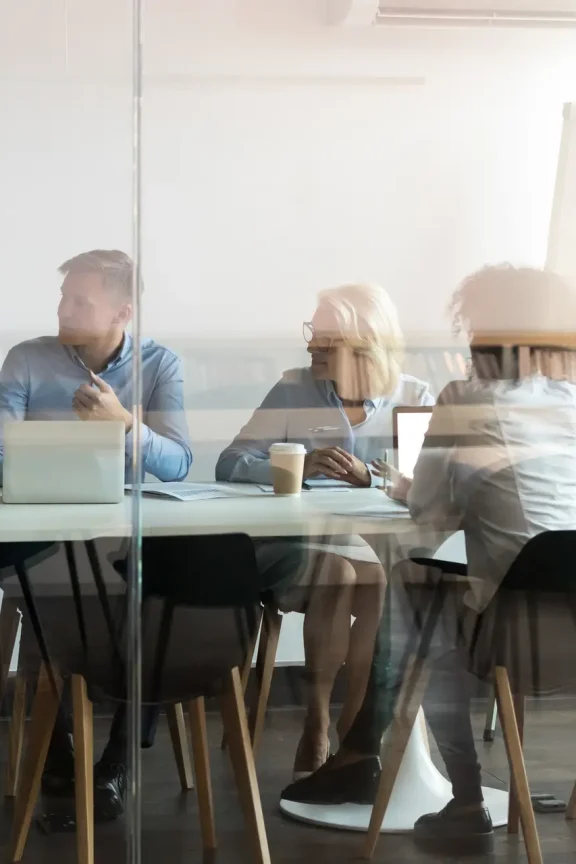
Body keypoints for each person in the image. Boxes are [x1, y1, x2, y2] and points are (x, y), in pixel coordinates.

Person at [281, 265, 576, 854]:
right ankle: (361, 750)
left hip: (509, 635)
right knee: (427, 591)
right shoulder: (570, 401)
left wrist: (403, 487)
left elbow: (430, 512)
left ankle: (457, 794)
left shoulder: (465, 399)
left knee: (418, 606)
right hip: (569, 624)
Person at [0, 249, 193, 820]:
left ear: (121, 313)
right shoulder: (27, 359)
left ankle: (118, 760)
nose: (63, 310)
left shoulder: (160, 365)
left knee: (155, 595)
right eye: (63, 298)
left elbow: (178, 465)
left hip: (120, 536)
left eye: (80, 302)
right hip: (41, 532)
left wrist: (124, 425)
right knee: (47, 587)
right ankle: (55, 747)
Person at [216, 283, 433, 778]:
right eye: (312, 333)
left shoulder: (414, 396)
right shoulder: (293, 388)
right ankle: (316, 724)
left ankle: (355, 731)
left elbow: (429, 486)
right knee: (339, 573)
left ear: (365, 345)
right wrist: (295, 466)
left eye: (326, 339)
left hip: (376, 547)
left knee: (377, 579)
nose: (311, 345)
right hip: (297, 544)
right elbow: (230, 462)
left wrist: (372, 477)